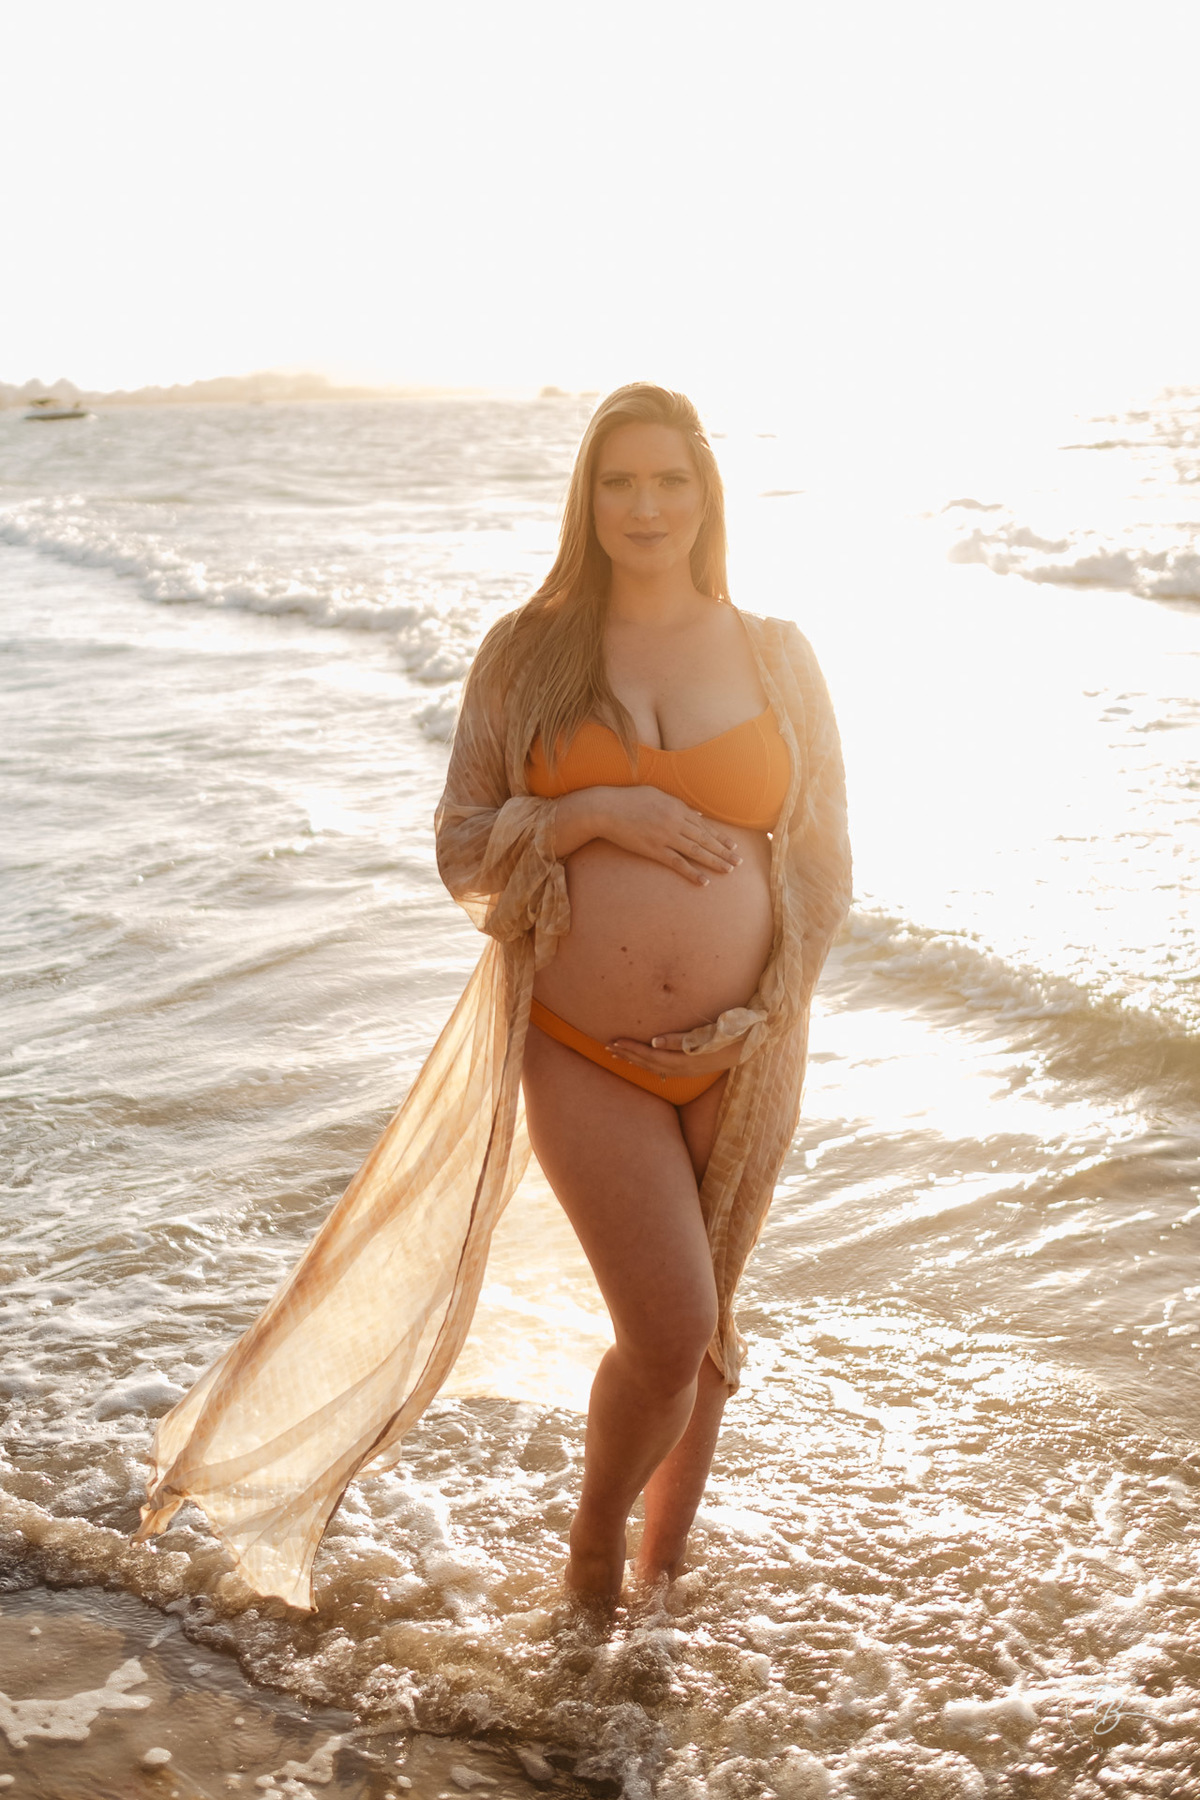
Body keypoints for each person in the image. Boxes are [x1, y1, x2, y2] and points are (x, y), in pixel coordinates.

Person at [135, 384, 851, 1614]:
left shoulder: (778, 654)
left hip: (744, 1049)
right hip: (583, 1049)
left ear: (706, 495)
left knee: (708, 1329)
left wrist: (764, 1012)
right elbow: (464, 847)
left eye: (669, 480)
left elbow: (826, 858)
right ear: (586, 498)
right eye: (618, 481)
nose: (645, 505)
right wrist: (589, 813)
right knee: (670, 1326)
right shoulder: (529, 654)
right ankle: (590, 1545)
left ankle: (659, 1586)